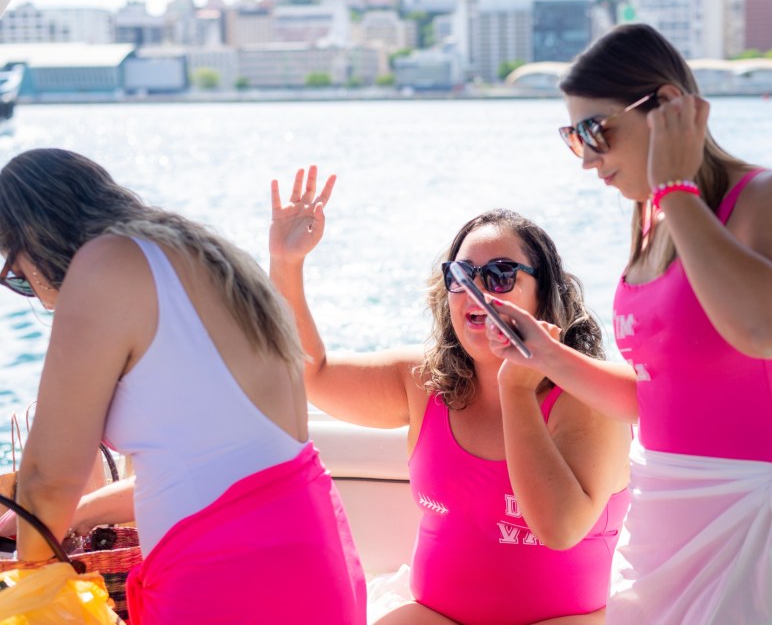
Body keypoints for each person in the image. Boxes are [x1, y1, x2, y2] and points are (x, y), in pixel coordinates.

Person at [480, 24, 772, 624]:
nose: (588, 160)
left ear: (667, 107)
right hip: (666, 515)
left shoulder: (767, 196)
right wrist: (548, 357)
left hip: (758, 516)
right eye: (573, 137)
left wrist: (675, 188)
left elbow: (766, 331)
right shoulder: (655, 224)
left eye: (596, 131)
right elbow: (661, 400)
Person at [0, 149, 366, 624]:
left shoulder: (101, 267)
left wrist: (29, 581)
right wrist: (83, 512)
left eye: (19, 278)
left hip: (229, 579)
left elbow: (47, 482)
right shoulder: (207, 256)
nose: (39, 298)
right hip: (316, 556)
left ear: (37, 241)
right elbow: (209, 469)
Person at [269, 166, 632, 625]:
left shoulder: (589, 394)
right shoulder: (423, 382)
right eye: (462, 275)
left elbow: (560, 528)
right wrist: (286, 263)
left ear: (544, 294)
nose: (477, 292)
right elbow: (311, 373)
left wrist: (517, 385)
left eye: (500, 275)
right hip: (436, 615)